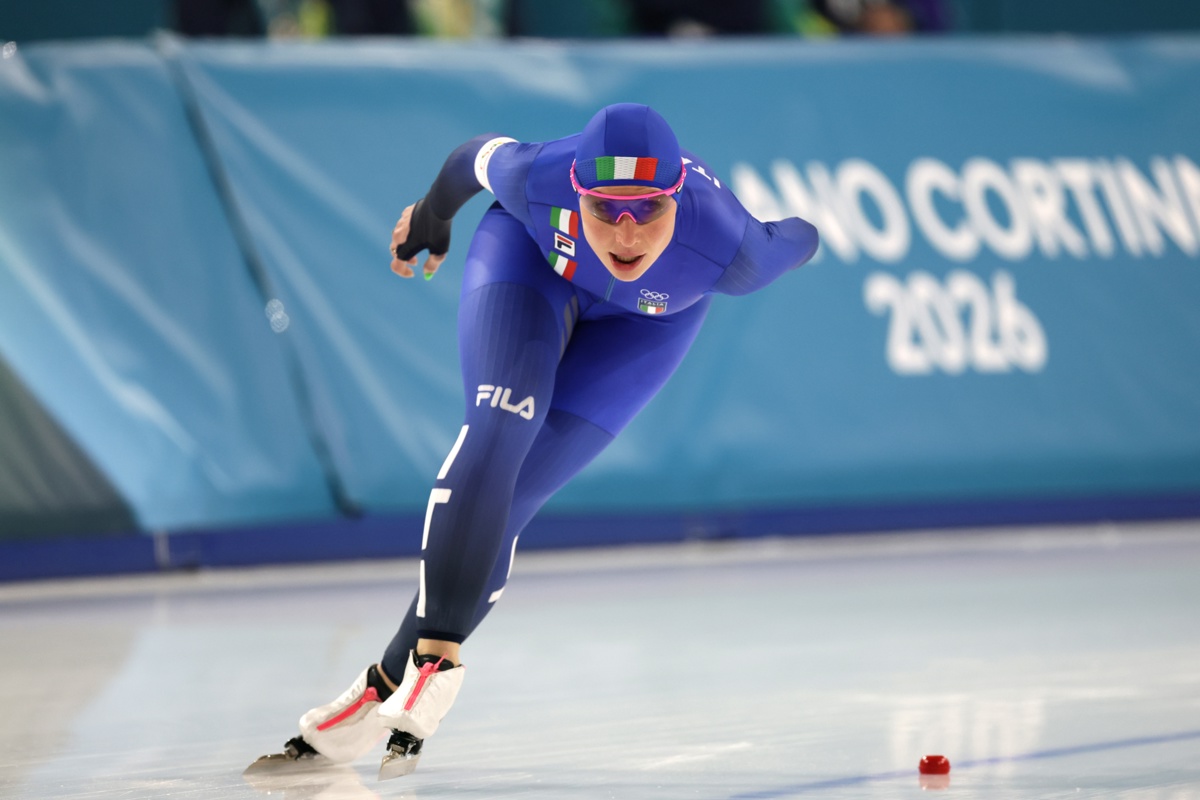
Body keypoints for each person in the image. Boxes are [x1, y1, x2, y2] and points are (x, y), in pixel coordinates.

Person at [246, 103, 819, 780]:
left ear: (675, 200)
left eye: (647, 214)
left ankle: (381, 686)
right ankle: (436, 659)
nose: (627, 236)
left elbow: (799, 236)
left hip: (647, 327)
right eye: (606, 211)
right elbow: (467, 161)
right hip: (530, 267)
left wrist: (806, 237)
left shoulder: (733, 247)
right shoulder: (538, 176)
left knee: (512, 498)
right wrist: (434, 219)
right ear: (576, 191)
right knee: (500, 421)